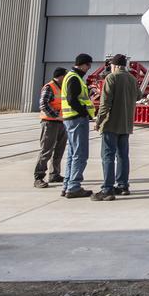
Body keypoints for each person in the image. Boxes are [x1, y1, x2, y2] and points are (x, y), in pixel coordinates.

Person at [93, 53, 139, 201]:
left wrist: (98, 121)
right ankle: (123, 185)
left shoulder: (111, 78)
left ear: (114, 66)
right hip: (126, 124)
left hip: (111, 124)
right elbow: (138, 96)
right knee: (123, 156)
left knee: (108, 156)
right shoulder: (132, 79)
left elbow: (105, 103)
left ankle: (107, 189)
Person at [60, 53, 96, 199]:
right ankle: (74, 187)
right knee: (80, 154)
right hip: (77, 120)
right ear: (82, 64)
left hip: (70, 119)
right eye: (88, 65)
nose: (88, 69)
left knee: (72, 154)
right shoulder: (74, 78)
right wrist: (84, 112)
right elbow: (71, 99)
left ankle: (67, 185)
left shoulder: (71, 76)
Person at [33, 67, 68, 188]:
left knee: (59, 149)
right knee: (46, 150)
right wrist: (56, 116)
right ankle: (39, 177)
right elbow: (43, 104)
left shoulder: (62, 87)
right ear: (61, 76)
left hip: (61, 123)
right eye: (66, 76)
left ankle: (54, 174)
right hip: (50, 123)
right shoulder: (49, 87)